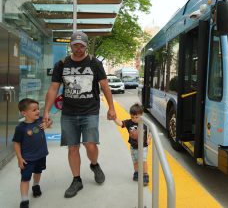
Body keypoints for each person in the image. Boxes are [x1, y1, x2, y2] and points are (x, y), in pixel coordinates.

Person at [43, 31, 116, 198]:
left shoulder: (94, 63)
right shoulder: (61, 64)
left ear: (86, 46)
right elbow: (54, 88)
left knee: (90, 144)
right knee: (72, 147)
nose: (78, 48)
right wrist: (46, 111)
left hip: (90, 110)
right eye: (75, 45)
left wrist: (111, 108)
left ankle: (95, 165)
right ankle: (77, 180)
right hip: (68, 112)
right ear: (71, 45)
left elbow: (105, 86)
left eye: (81, 45)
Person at [13, 98, 52, 208]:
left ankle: (36, 186)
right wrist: (19, 158)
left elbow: (50, 120)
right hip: (27, 158)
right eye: (34, 110)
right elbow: (16, 143)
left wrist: (47, 123)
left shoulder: (40, 120)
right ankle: (24, 200)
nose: (38, 111)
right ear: (24, 113)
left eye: (38, 109)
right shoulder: (20, 128)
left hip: (41, 155)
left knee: (38, 172)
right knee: (25, 178)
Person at [113, 103, 151, 185]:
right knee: (135, 161)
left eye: (136, 117)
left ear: (141, 115)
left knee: (143, 161)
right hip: (133, 147)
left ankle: (145, 175)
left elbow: (150, 131)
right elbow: (120, 123)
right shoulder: (129, 122)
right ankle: (136, 172)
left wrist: (148, 139)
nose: (134, 119)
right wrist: (114, 118)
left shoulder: (144, 123)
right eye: (132, 117)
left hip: (143, 146)